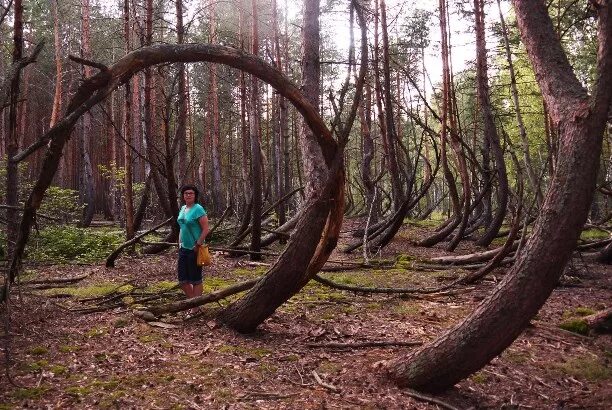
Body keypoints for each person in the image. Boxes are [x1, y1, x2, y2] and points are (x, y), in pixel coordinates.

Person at [176, 184, 209, 315]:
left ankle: (195, 308)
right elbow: (181, 227)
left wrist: (198, 244)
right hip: (183, 248)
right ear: (183, 196)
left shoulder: (198, 209)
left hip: (195, 248)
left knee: (195, 279)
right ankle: (194, 303)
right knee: (183, 280)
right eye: (186, 193)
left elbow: (206, 229)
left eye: (191, 193)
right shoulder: (183, 208)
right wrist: (179, 243)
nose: (188, 195)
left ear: (195, 196)